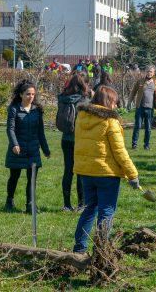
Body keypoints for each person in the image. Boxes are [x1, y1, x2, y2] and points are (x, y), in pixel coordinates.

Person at [72, 86, 139, 253]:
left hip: (86, 172)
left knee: (89, 209)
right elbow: (119, 151)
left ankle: (79, 248)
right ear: (108, 102)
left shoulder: (81, 117)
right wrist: (132, 174)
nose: (116, 107)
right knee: (106, 211)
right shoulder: (110, 121)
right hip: (106, 174)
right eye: (115, 103)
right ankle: (101, 250)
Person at [5, 81, 51, 213]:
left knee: (32, 179)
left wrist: (45, 150)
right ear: (21, 94)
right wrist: (14, 144)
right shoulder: (14, 109)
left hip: (33, 150)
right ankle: (10, 200)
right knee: (14, 176)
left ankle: (30, 204)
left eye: (32, 94)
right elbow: (10, 129)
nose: (30, 96)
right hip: (17, 149)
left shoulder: (37, 111)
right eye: (27, 94)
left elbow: (40, 132)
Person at [57, 74, 90, 212]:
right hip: (80, 139)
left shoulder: (62, 98)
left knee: (68, 171)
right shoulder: (84, 101)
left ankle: (66, 204)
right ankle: (81, 204)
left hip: (66, 139)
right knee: (80, 172)